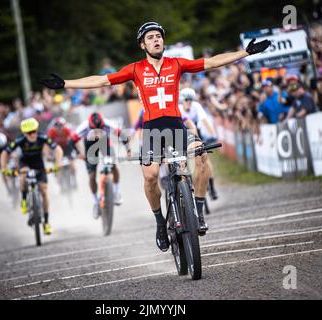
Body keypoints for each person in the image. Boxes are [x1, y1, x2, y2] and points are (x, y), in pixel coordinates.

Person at [41, 21, 270, 251]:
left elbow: (210, 62)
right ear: (143, 45)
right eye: (150, 37)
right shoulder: (136, 69)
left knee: (201, 157)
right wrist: (65, 84)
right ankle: (160, 223)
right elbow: (101, 80)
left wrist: (245, 53)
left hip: (176, 127)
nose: (156, 40)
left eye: (158, 36)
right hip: (152, 131)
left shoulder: (177, 64)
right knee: (150, 176)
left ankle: (198, 212)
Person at [0, 118, 63, 235]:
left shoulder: (42, 137)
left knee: (44, 191)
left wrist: (57, 165)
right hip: (25, 163)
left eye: (34, 131)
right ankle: (24, 199)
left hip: (39, 164)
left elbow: (58, 149)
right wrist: (4, 169)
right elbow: (4, 153)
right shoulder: (19, 140)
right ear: (24, 133)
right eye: (29, 133)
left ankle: (47, 222)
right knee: (23, 175)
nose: (33, 134)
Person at [70, 112, 130, 219]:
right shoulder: (84, 127)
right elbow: (71, 141)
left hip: (104, 143)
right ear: (89, 126)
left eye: (100, 129)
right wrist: (78, 154)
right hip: (90, 146)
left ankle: (117, 192)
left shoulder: (107, 123)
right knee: (92, 176)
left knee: (113, 165)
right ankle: (95, 202)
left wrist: (128, 150)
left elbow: (122, 135)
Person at [179, 87, 219, 200]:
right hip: (182, 135)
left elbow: (205, 121)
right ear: (182, 100)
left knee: (205, 159)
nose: (189, 102)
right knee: (183, 159)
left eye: (191, 100)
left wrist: (213, 134)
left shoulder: (196, 106)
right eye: (187, 100)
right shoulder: (179, 109)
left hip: (196, 133)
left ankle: (211, 187)